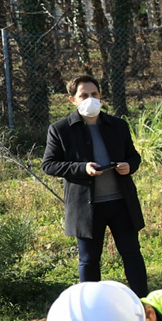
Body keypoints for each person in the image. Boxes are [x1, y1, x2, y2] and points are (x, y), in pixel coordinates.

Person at [42, 76, 149, 295]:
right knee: (89, 260)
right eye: (84, 95)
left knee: (132, 253)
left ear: (101, 95)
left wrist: (129, 165)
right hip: (87, 207)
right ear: (72, 99)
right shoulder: (60, 129)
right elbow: (49, 165)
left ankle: (144, 303)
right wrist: (82, 169)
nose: (90, 99)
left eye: (94, 94)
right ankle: (90, 308)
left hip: (121, 202)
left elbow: (133, 156)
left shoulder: (118, 125)